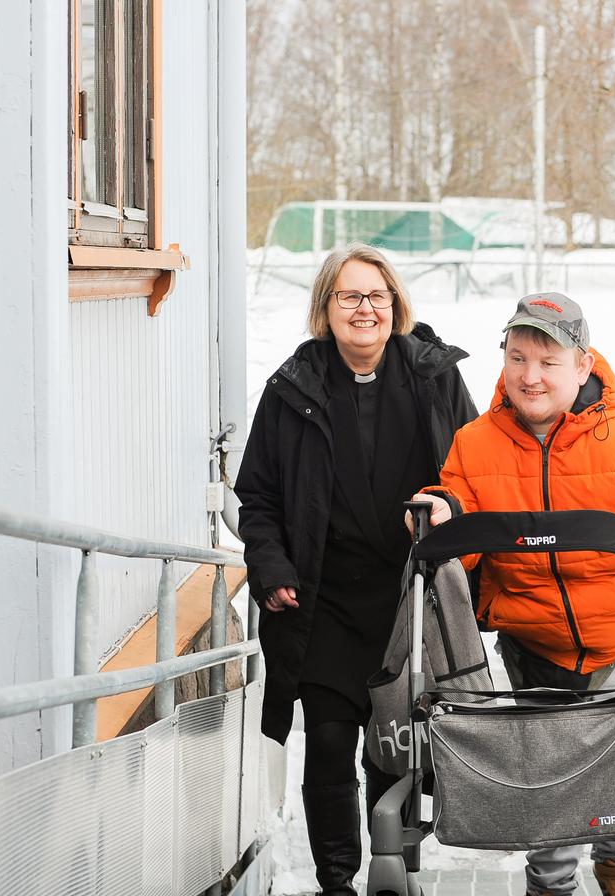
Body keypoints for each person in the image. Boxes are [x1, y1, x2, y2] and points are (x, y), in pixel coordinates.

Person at [408, 292, 615, 896]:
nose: (531, 376)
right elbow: (460, 527)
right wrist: (440, 512)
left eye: (548, 362)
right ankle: (550, 883)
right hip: (532, 639)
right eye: (518, 358)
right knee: (548, 773)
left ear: (583, 365)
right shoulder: (475, 443)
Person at [234, 242, 478, 896]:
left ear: (395, 305)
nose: (365, 308)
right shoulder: (292, 387)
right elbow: (256, 495)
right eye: (350, 296)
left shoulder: (432, 376)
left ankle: (393, 875)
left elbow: (473, 472)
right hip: (322, 603)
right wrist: (270, 562)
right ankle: (338, 884)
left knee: (396, 751)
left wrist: (448, 503)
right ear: (326, 307)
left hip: (410, 603)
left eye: (377, 296)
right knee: (331, 749)